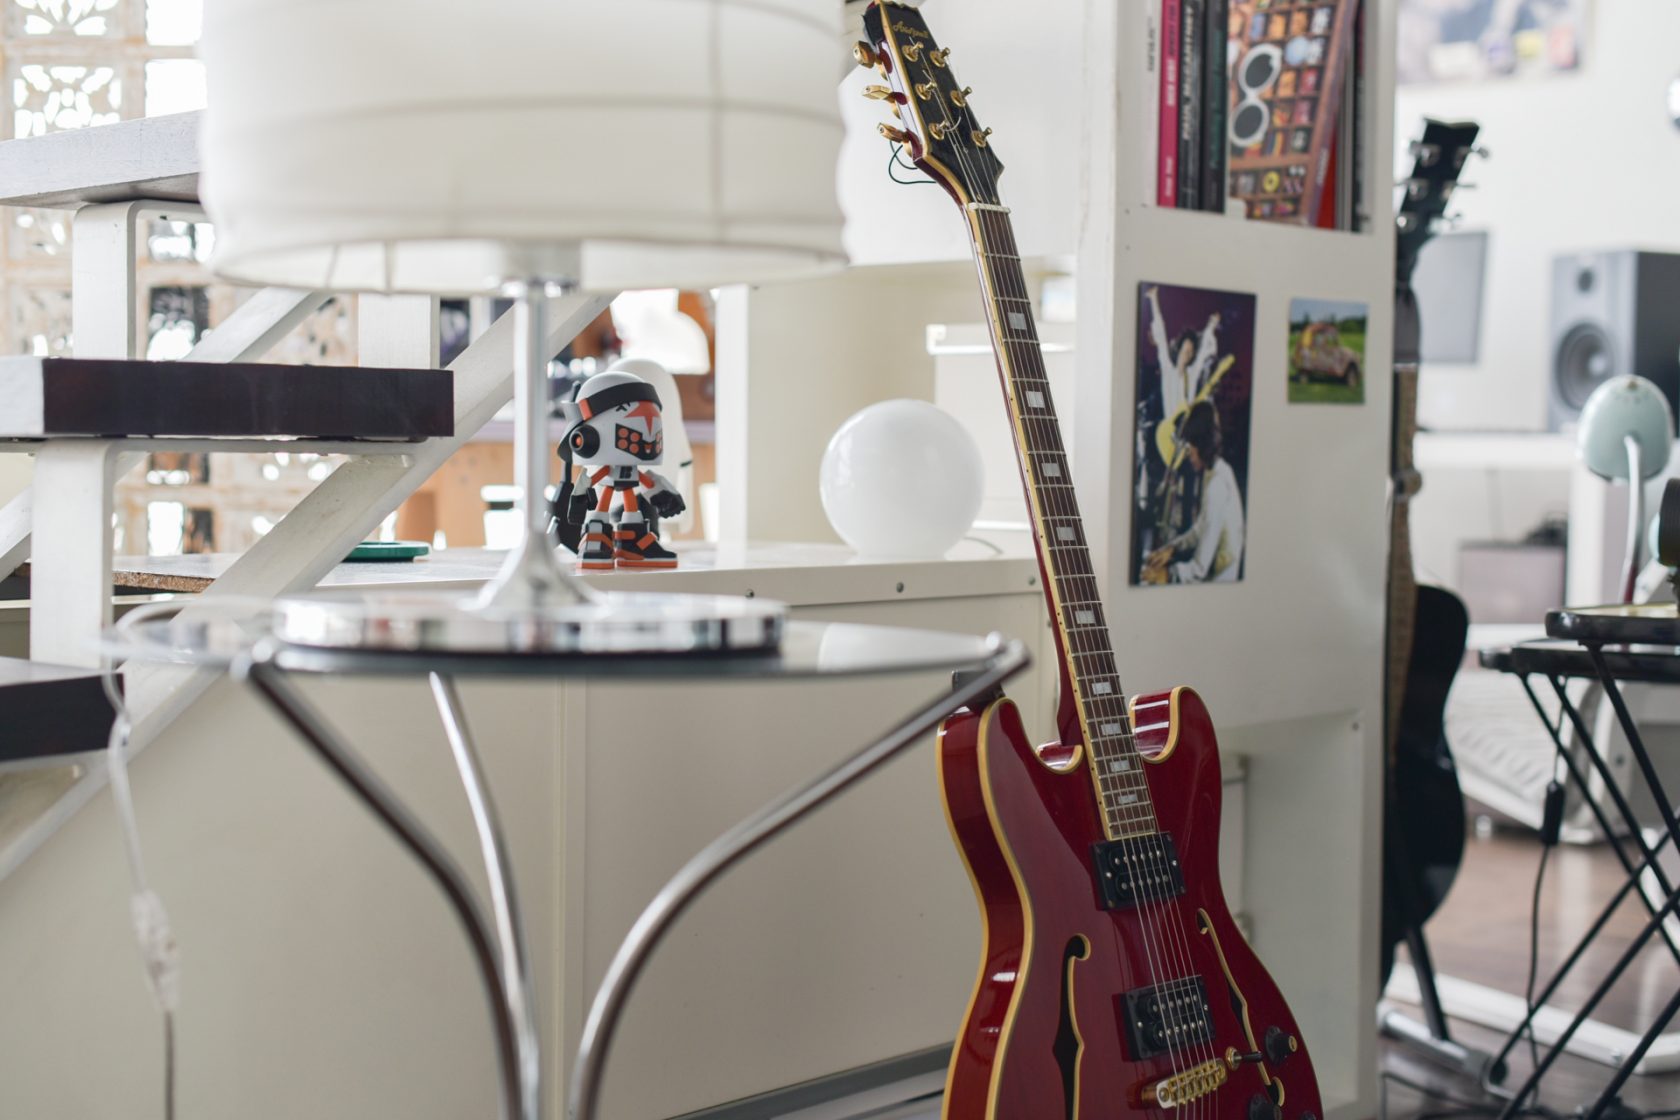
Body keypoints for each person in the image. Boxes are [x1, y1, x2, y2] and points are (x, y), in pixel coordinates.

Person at [1142, 400, 1244, 584]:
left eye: (1190, 449)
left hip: (1218, 586)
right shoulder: (1216, 470)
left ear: (1202, 445)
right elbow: (1200, 528)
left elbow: (1199, 569)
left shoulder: (1217, 486)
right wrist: (1172, 548)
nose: (1188, 455)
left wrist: (1166, 575)